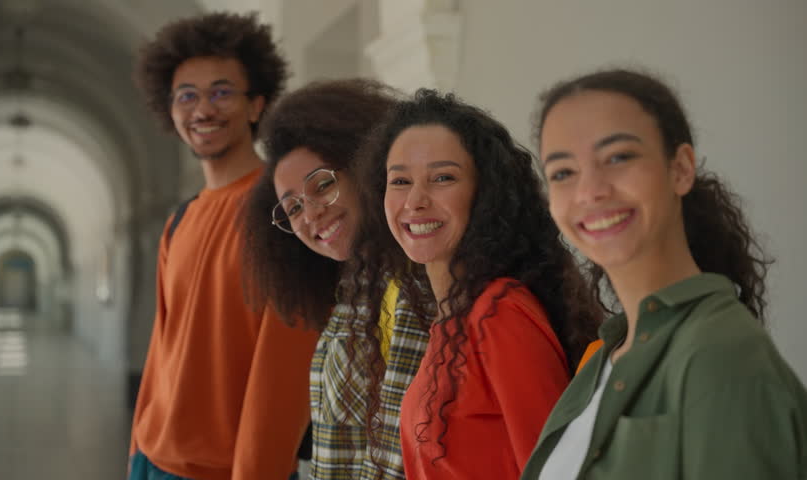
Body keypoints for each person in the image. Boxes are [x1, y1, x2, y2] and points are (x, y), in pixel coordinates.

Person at [522, 68, 807, 479]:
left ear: (681, 168)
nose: (590, 191)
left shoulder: (720, 354)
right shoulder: (606, 356)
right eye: (563, 172)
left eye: (618, 157)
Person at [347, 89, 601, 479]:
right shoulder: (449, 316)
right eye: (399, 180)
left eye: (442, 178)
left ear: (485, 194)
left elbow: (552, 471)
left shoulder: (499, 312)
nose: (415, 199)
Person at [128, 12, 318, 480]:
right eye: (186, 96)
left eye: (221, 92)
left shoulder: (283, 211)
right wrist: (136, 451)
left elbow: (284, 374)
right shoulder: (180, 219)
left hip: (234, 469)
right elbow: (161, 352)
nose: (202, 110)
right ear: (170, 111)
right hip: (154, 460)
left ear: (256, 105)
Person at [243, 78, 430, 480]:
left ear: (366, 166)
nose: (310, 215)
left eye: (323, 185)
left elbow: (393, 459)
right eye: (292, 208)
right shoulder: (354, 291)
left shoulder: (418, 285)